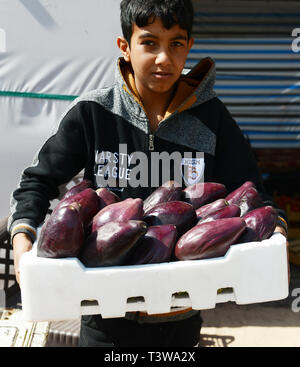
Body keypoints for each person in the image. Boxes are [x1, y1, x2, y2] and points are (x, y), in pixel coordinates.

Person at [9, 0, 288, 347]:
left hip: (181, 314)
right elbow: (37, 181)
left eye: (175, 44)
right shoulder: (94, 113)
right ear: (125, 47)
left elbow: (252, 194)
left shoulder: (212, 120)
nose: (163, 58)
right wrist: (22, 241)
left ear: (189, 47)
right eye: (150, 42)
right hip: (104, 315)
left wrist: (275, 229)